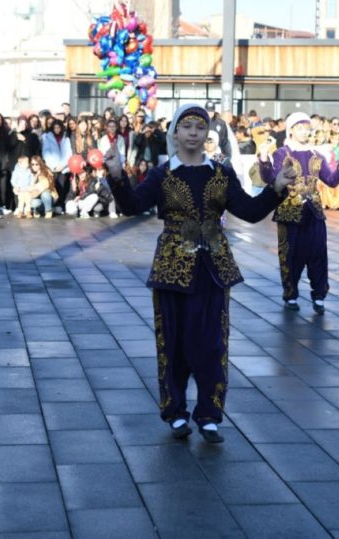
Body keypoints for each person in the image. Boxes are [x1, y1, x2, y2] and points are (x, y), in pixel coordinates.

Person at [105, 103, 295, 443]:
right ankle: (175, 412)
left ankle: (209, 414)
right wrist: (118, 176)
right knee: (173, 343)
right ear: (175, 133)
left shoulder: (220, 174)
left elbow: (249, 212)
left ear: (207, 133)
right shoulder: (162, 175)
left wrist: (275, 189)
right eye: (186, 127)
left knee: (211, 343)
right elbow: (132, 206)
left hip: (213, 269)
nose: (193, 133)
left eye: (199, 127)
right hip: (171, 268)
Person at [265, 113, 339, 313]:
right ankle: (290, 294)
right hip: (290, 211)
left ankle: (319, 294)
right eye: (299, 127)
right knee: (290, 254)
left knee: (318, 253)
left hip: (314, 211)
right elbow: (272, 179)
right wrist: (263, 159)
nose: (304, 131)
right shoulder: (282, 153)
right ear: (291, 130)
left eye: (306, 127)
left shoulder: (316, 155)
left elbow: (331, 180)